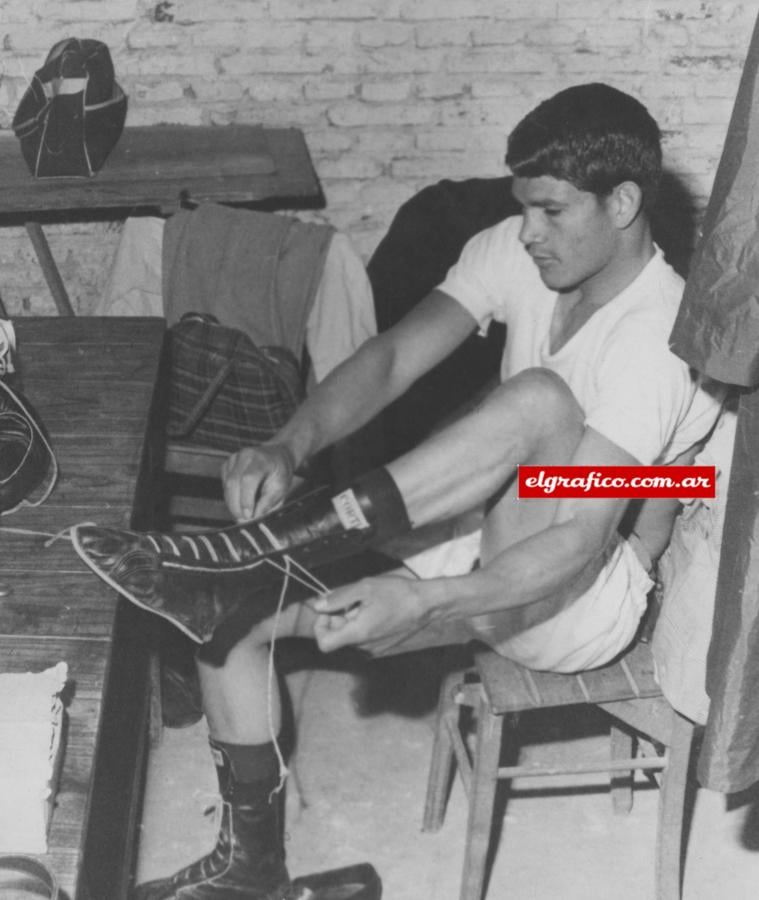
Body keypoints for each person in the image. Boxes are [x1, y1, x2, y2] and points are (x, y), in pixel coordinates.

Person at [72, 83, 723, 900]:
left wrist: (427, 602)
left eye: (551, 212)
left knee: (536, 401)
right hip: (497, 520)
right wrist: (289, 440)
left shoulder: (657, 334)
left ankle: (278, 544)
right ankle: (252, 871)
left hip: (583, 588)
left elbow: (581, 536)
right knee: (222, 613)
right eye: (523, 207)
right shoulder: (516, 250)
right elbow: (389, 359)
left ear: (623, 203)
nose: (528, 232)